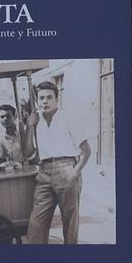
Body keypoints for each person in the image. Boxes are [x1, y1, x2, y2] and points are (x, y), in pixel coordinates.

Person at [22, 79, 90, 245]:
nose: (45, 101)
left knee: (70, 222)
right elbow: (27, 153)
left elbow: (86, 150)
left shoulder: (68, 117)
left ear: (56, 99)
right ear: (37, 100)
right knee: (36, 224)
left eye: (49, 97)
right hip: (44, 172)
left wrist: (74, 173)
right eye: (41, 98)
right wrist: (29, 127)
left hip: (66, 167)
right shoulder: (35, 122)